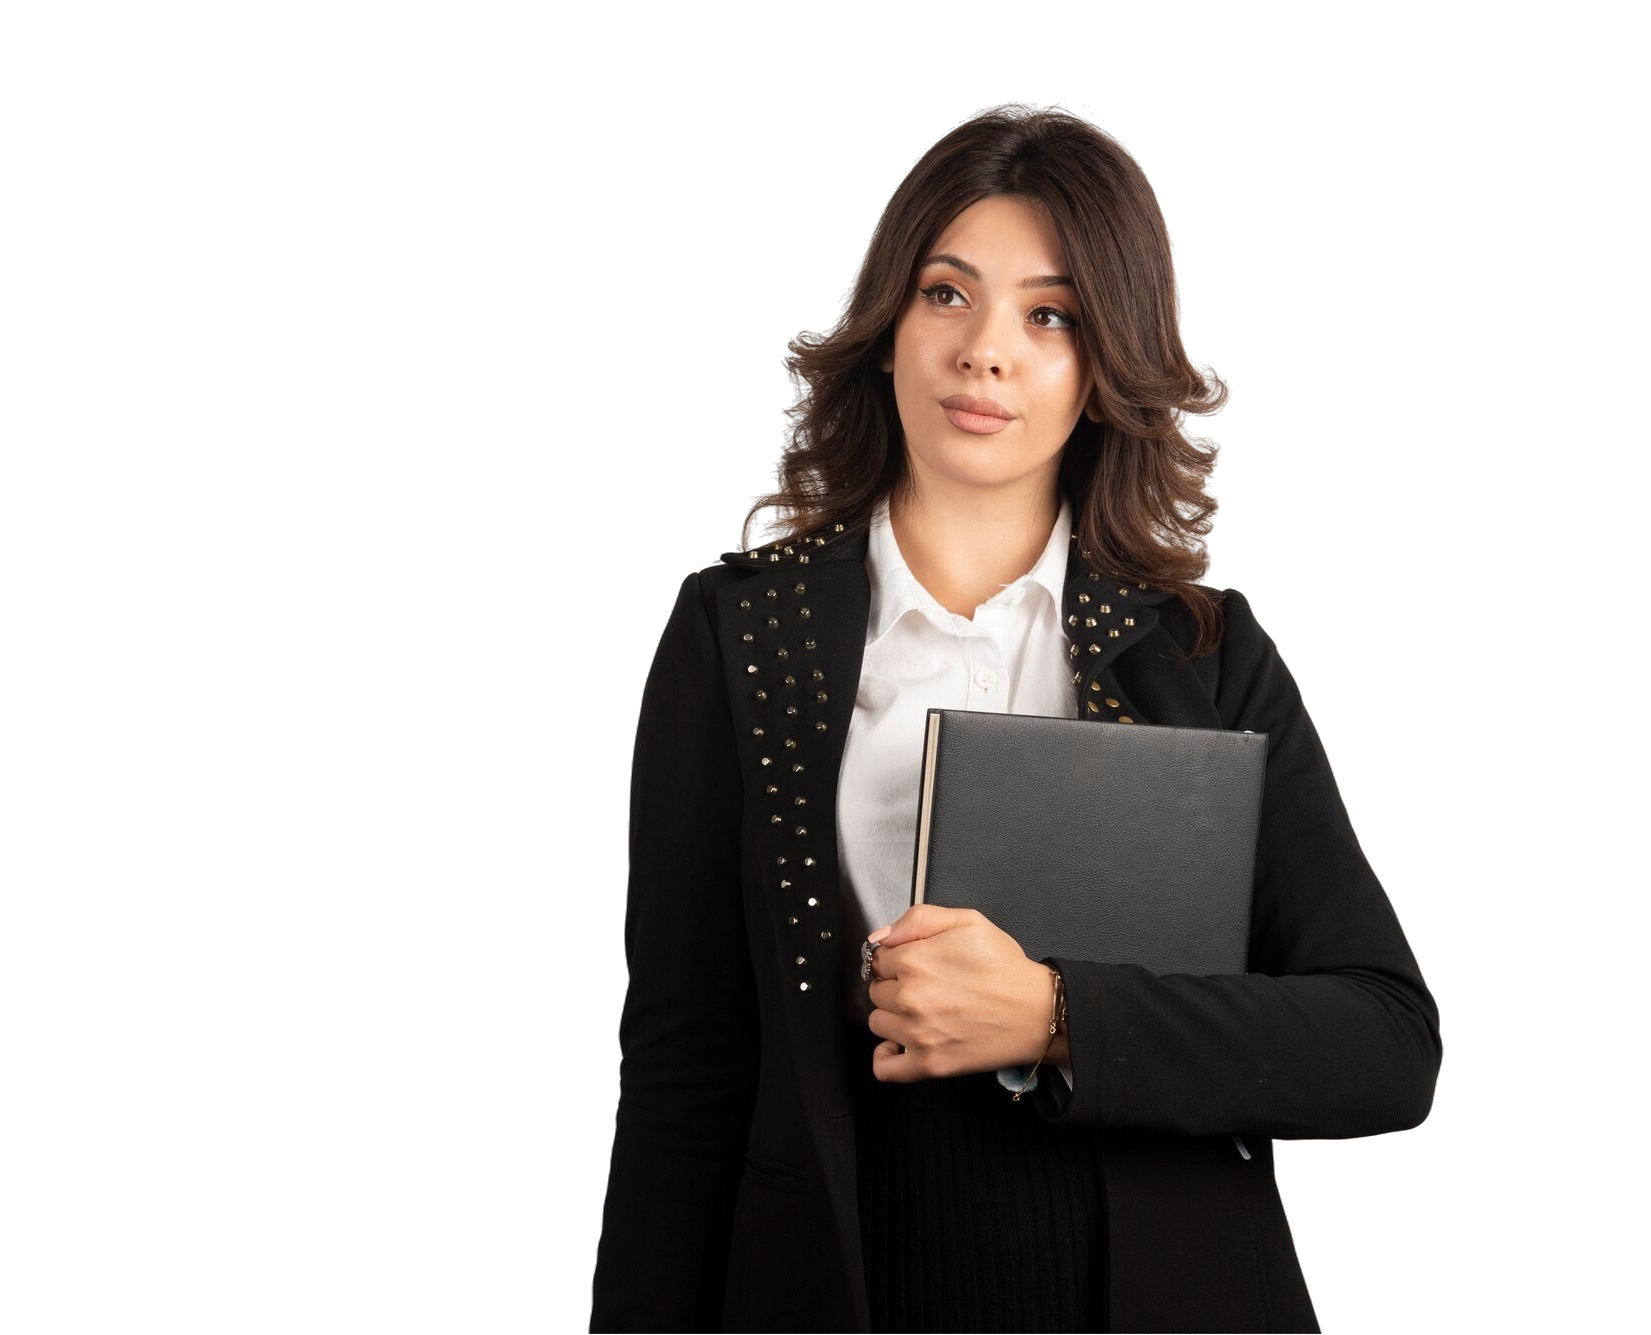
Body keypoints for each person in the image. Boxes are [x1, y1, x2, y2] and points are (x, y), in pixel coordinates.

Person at [587, 102, 1442, 1334]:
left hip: (1164, 1291)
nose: (987, 351)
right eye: (948, 294)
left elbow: (1386, 1043)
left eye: (1051, 316)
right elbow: (678, 1065)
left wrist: (1053, 1015)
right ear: (888, 324)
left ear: (1104, 372)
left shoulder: (1203, 654)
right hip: (835, 1284)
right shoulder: (737, 635)